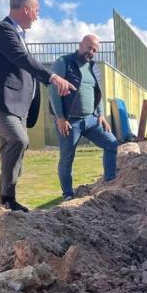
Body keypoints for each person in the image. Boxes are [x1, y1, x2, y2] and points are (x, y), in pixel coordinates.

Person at [0, 0, 75, 212]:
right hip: (1, 103)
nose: (37, 16)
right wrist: (52, 77)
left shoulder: (17, 34)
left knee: (12, 155)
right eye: (36, 11)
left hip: (17, 107)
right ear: (26, 9)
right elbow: (22, 59)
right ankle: (8, 199)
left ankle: (4, 205)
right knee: (19, 140)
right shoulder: (2, 30)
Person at [48, 34, 119, 201]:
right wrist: (60, 118)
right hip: (69, 121)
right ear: (81, 45)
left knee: (112, 144)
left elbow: (98, 93)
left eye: (95, 50)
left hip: (91, 120)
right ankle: (68, 194)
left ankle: (109, 181)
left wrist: (101, 115)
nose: (92, 52)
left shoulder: (93, 67)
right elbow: (53, 91)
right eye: (89, 48)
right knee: (67, 157)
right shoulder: (64, 62)